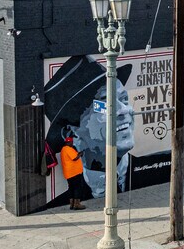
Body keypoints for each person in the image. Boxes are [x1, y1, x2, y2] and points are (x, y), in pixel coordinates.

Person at [44, 55, 134, 200]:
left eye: (124, 99)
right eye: (105, 102)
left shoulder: (159, 169)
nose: (123, 110)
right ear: (71, 132)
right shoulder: (59, 202)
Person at [60, 135, 85, 210]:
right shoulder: (68, 149)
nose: (72, 143)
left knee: (71, 188)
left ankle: (72, 204)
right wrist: (80, 154)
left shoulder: (63, 149)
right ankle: (77, 204)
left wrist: (78, 154)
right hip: (74, 172)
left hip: (69, 173)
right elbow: (74, 158)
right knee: (77, 188)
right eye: (71, 142)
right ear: (69, 142)